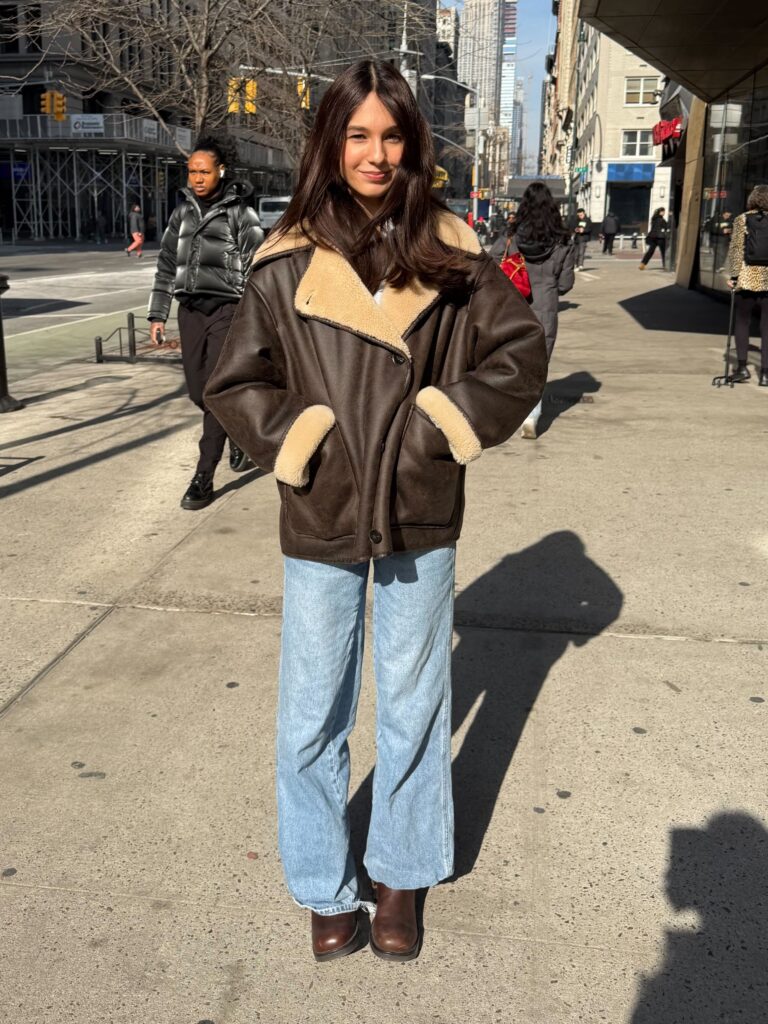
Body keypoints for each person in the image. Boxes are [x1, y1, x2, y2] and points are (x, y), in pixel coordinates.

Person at [204, 59, 547, 963]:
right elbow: (233, 380)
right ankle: (324, 882)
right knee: (312, 709)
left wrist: (441, 426)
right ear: (330, 141)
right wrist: (299, 442)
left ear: (412, 143)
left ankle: (400, 874)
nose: (375, 153)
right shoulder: (283, 262)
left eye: (391, 134)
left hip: (420, 506)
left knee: (413, 702)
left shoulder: (453, 248)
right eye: (357, 134)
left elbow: (516, 353)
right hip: (322, 508)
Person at [147, 135, 264, 508]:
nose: (197, 178)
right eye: (192, 171)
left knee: (213, 391)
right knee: (199, 393)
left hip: (228, 311)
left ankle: (203, 475)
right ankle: (235, 432)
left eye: (204, 171)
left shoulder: (240, 214)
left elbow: (257, 265)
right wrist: (157, 313)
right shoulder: (181, 213)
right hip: (190, 312)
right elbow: (167, 264)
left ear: (221, 171)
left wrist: (254, 318)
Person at [506, 181, 575, 439]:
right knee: (538, 365)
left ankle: (510, 410)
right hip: (545, 309)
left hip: (513, 308)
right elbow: (566, 285)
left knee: (513, 361)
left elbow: (491, 266)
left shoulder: (512, 237)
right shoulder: (563, 241)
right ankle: (531, 415)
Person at [726, 185, 768, 387]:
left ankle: (742, 368)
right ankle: (766, 374)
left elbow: (736, 250)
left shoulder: (742, 219)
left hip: (747, 277)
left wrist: (733, 276)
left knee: (743, 322)